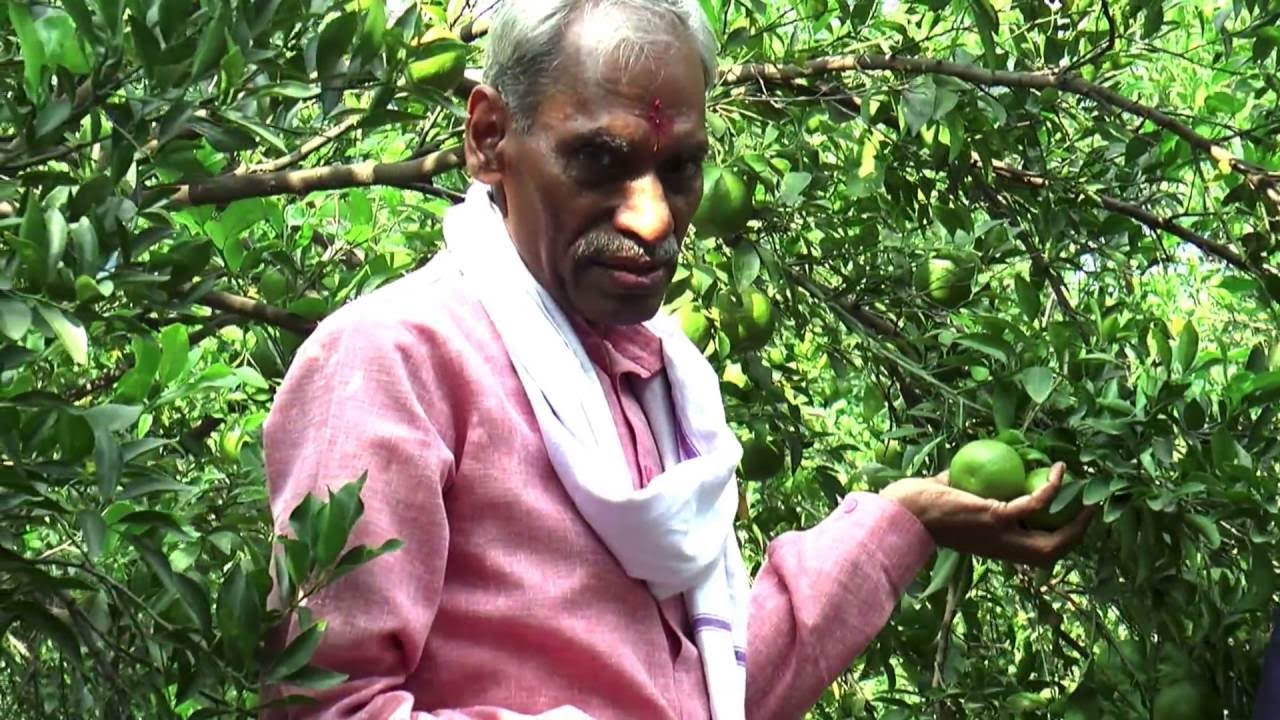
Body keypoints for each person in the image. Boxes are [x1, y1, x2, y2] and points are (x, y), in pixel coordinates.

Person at [260, 1, 1095, 718]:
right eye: (600, 161)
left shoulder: (661, 387)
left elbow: (710, 693)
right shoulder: (393, 364)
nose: (654, 218)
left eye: (681, 168)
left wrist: (905, 519)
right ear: (489, 139)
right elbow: (327, 704)